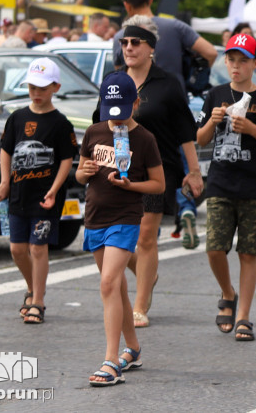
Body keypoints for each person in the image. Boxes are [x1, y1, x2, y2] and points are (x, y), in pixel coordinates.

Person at [97, 16, 203, 328]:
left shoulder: (169, 85)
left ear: (151, 48)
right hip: (115, 168)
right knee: (109, 239)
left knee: (145, 237)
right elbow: (98, 126)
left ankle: (140, 305)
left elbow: (186, 132)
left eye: (135, 42)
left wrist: (194, 171)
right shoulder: (114, 81)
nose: (128, 48)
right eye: (124, 42)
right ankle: (148, 273)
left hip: (158, 169)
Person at [78, 71, 165, 386]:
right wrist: (84, 171)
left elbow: (158, 184)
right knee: (116, 288)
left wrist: (131, 185)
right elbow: (80, 173)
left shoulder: (144, 139)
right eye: (110, 112)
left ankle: (111, 360)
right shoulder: (94, 132)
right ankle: (135, 349)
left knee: (108, 283)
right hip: (95, 216)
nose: (116, 120)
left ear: (136, 103)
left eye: (122, 112)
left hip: (126, 217)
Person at [196, 33, 256, 342]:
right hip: (220, 182)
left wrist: (253, 129)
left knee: (248, 252)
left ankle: (244, 315)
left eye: (243, 61)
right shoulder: (216, 94)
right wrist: (212, 121)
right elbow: (201, 139)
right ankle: (227, 291)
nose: (236, 66)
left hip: (255, 184)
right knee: (215, 247)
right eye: (231, 60)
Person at [0, 58, 77, 325]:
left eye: (42, 88)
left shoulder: (61, 123)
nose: (36, 93)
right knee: (18, 249)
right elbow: (6, 150)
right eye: (32, 88)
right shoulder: (17, 117)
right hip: (18, 194)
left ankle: (38, 302)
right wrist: (5, 182)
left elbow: (66, 159)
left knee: (38, 248)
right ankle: (32, 288)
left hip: (45, 198)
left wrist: (54, 189)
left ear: (55, 87)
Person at [114, 0, 218, 88]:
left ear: (127, 6)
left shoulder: (121, 37)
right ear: (150, 0)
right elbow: (211, 53)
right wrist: (195, 81)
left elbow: (121, 76)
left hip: (137, 100)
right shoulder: (176, 26)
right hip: (175, 97)